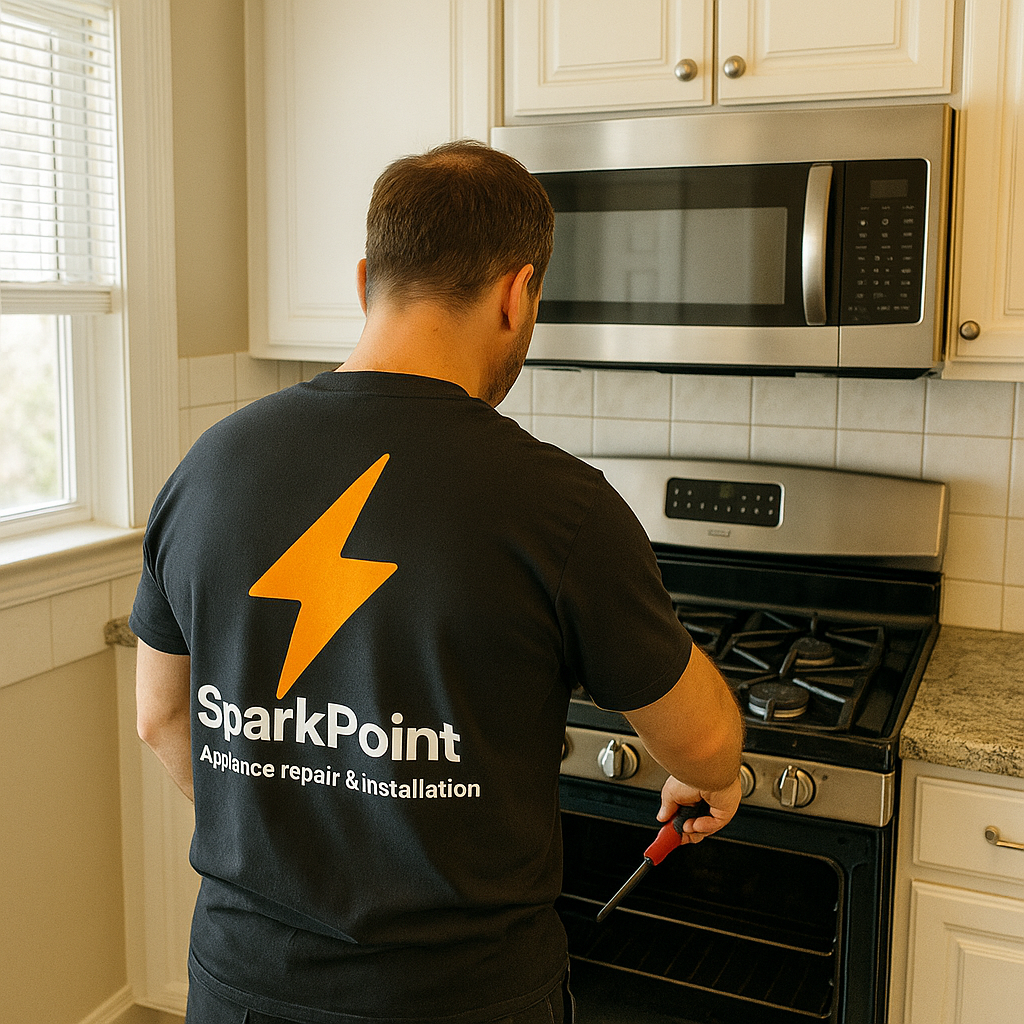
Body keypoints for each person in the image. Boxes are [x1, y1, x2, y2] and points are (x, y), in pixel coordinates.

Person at [131, 139, 744, 1024]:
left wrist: (290, 819)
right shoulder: (560, 506)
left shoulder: (209, 468)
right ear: (517, 293)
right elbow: (705, 744)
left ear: (363, 282)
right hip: (460, 997)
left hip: (242, 984)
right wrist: (709, 773)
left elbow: (160, 717)